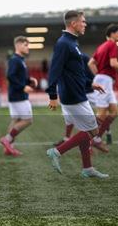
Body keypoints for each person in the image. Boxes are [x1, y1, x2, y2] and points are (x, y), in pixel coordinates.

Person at [45, 10, 109, 179]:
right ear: (73, 24)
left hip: (76, 92)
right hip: (73, 95)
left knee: (85, 130)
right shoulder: (64, 43)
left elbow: (74, 72)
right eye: (83, 21)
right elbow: (54, 70)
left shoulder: (71, 42)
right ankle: (57, 151)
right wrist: (52, 95)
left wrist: (90, 83)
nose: (85, 24)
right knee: (94, 131)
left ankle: (87, 169)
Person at [88, 24, 118, 150]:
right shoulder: (112, 44)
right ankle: (87, 140)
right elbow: (113, 63)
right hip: (105, 80)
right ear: (113, 33)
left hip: (104, 79)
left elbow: (91, 63)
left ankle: (97, 138)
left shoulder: (101, 47)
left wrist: (98, 75)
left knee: (114, 112)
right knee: (102, 113)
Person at [0, 36, 37, 156]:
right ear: (19, 45)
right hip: (18, 95)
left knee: (16, 120)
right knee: (28, 120)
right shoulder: (15, 59)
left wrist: (29, 80)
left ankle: (8, 148)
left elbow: (18, 76)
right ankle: (7, 140)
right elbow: (10, 76)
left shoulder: (19, 59)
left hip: (15, 95)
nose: (28, 48)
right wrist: (22, 87)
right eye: (26, 45)